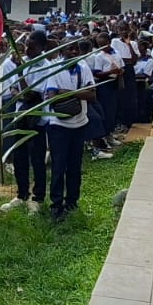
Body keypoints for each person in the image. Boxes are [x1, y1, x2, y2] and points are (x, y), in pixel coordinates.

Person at [41, 41, 95, 220]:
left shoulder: (83, 67)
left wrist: (67, 92)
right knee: (58, 165)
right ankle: (56, 204)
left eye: (76, 49)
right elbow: (52, 96)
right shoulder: (54, 69)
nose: (73, 52)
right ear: (62, 52)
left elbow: (92, 94)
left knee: (75, 166)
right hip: (59, 125)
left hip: (80, 123)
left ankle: (72, 201)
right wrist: (78, 92)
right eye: (69, 49)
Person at [0, 33, 48, 213]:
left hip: (36, 118)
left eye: (31, 47)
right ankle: (22, 194)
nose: (26, 50)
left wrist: (20, 73)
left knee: (37, 157)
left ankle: (38, 196)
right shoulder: (23, 62)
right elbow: (14, 88)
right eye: (26, 45)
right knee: (20, 156)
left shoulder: (46, 67)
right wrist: (20, 93)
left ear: (41, 47)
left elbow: (32, 94)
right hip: (20, 115)